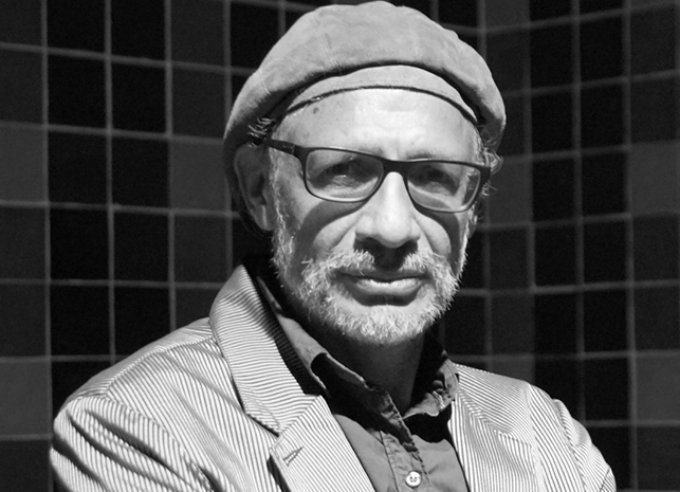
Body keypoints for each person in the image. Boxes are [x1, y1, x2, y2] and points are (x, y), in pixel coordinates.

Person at [51, 2, 615, 491]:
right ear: (260, 192)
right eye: (344, 170)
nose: (393, 228)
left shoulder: (548, 437)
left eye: (435, 178)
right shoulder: (135, 426)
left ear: (472, 208)